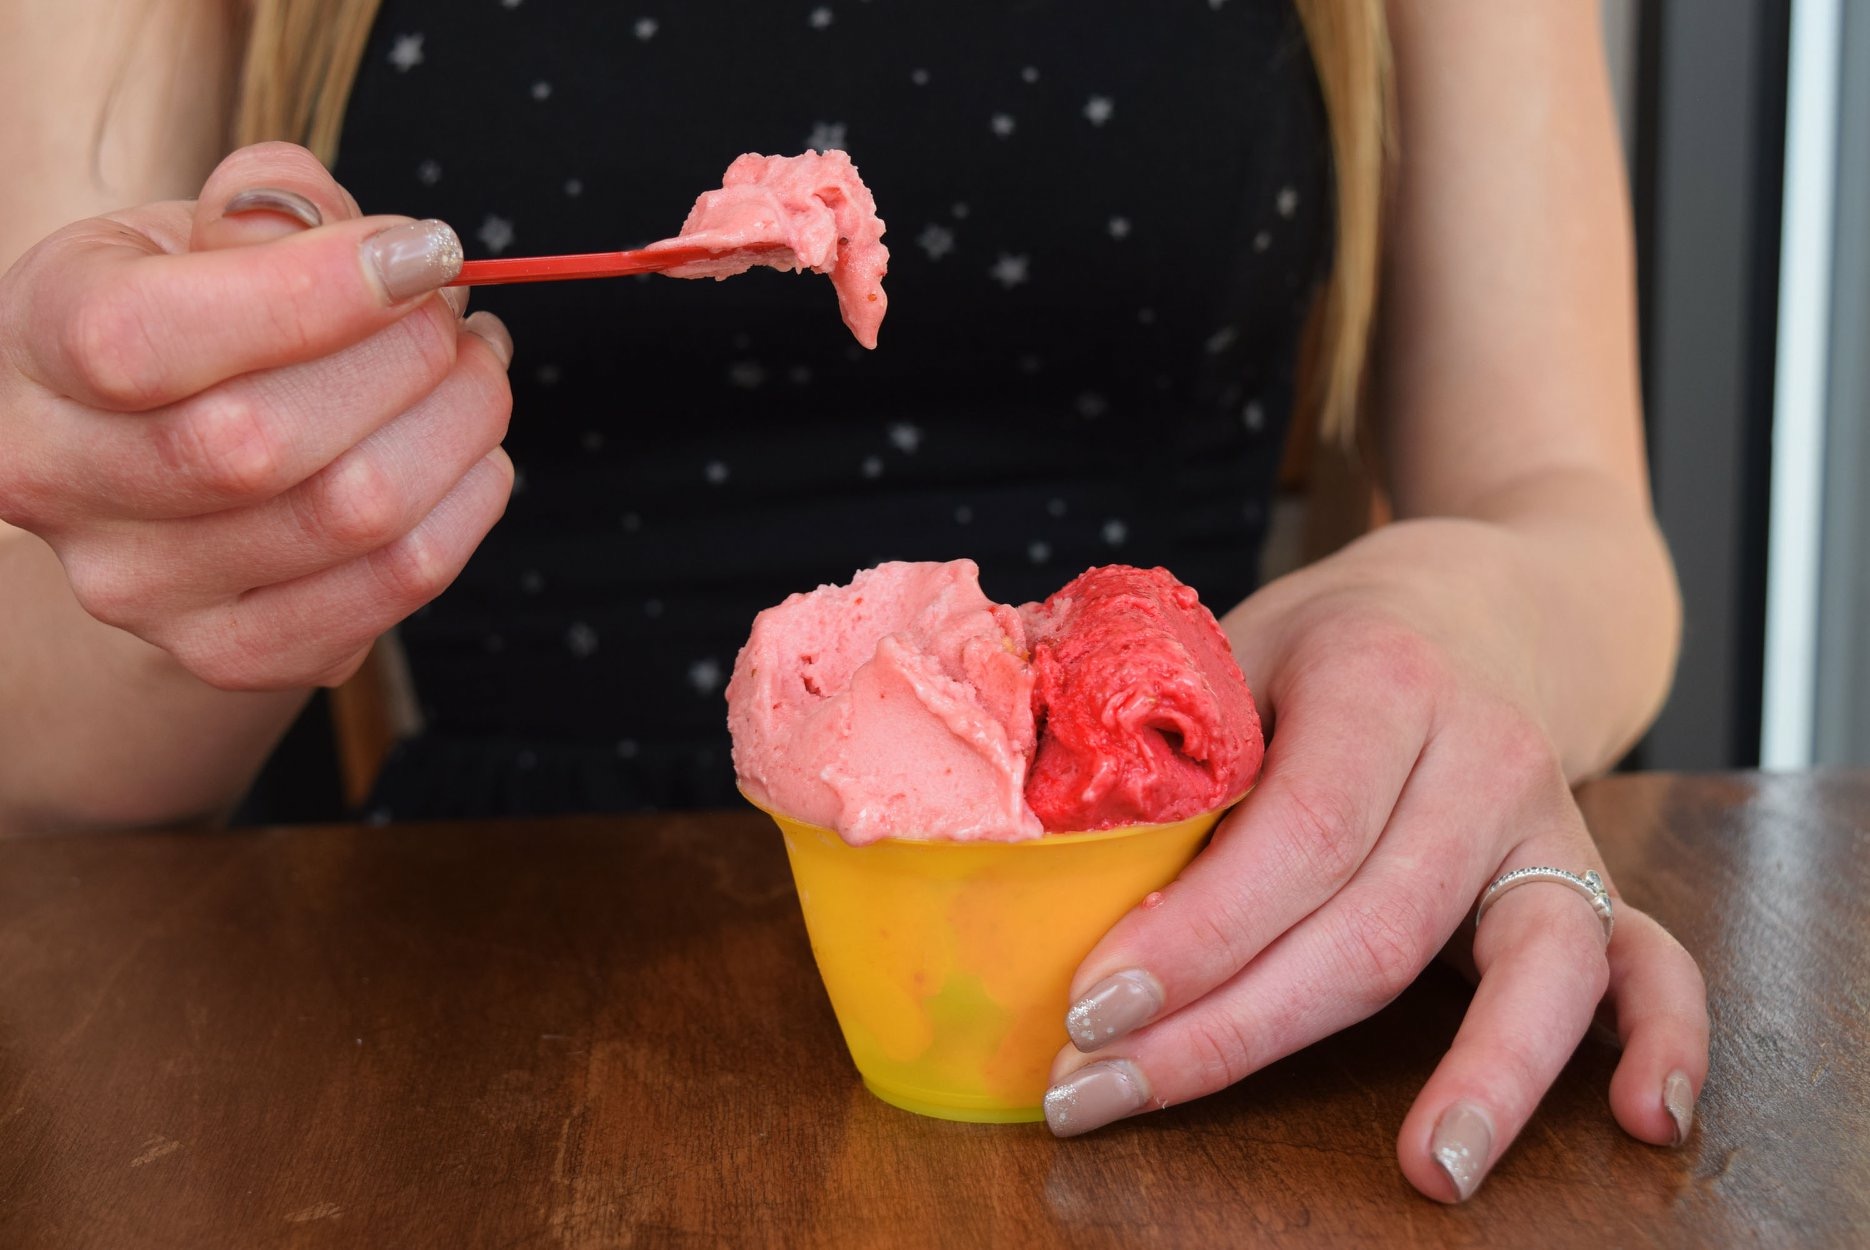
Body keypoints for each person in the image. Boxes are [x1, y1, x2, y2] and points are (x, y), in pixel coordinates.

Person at [0, 0, 1708, 1198]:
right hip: (475, 1045)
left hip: (1186, 956)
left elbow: (1569, 516)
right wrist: (214, 491)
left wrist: (1450, 616)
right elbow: (45, 735)